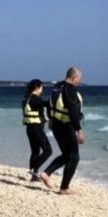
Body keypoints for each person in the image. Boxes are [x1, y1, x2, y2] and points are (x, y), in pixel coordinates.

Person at [39, 67, 84, 195]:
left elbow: (50, 103)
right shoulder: (70, 90)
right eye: (78, 80)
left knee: (66, 154)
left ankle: (46, 174)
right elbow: (73, 112)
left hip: (56, 126)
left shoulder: (57, 87)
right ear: (74, 78)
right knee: (74, 157)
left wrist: (50, 119)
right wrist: (79, 130)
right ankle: (64, 188)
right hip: (66, 126)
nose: (78, 82)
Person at [22, 79, 52, 180]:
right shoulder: (36, 99)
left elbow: (35, 112)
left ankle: (34, 174)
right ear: (37, 87)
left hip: (29, 129)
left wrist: (44, 119)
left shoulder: (26, 99)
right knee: (48, 150)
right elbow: (46, 104)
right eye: (41, 87)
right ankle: (34, 168)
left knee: (35, 151)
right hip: (36, 129)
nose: (42, 89)